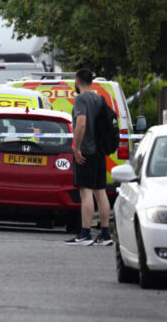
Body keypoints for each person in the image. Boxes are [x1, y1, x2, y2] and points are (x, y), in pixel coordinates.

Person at [65, 69, 112, 246]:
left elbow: (81, 124)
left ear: (77, 81)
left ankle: (85, 233)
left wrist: (77, 149)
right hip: (99, 152)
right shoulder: (99, 98)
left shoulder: (80, 99)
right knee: (100, 192)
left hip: (86, 152)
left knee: (85, 193)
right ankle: (105, 234)